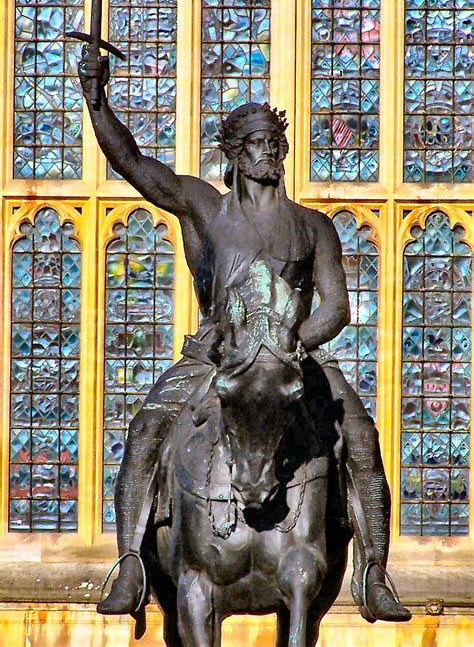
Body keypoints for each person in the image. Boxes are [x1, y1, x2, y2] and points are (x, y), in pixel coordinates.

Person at [78, 47, 411, 625]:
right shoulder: (204, 208)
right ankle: (130, 562)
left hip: (294, 355)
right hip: (214, 353)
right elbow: (132, 163)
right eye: (258, 144)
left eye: (276, 144)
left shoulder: (313, 227)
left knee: (359, 433)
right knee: (147, 427)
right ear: (235, 153)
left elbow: (336, 307)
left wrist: (293, 342)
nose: (271, 154)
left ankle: (375, 571)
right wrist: (98, 101)